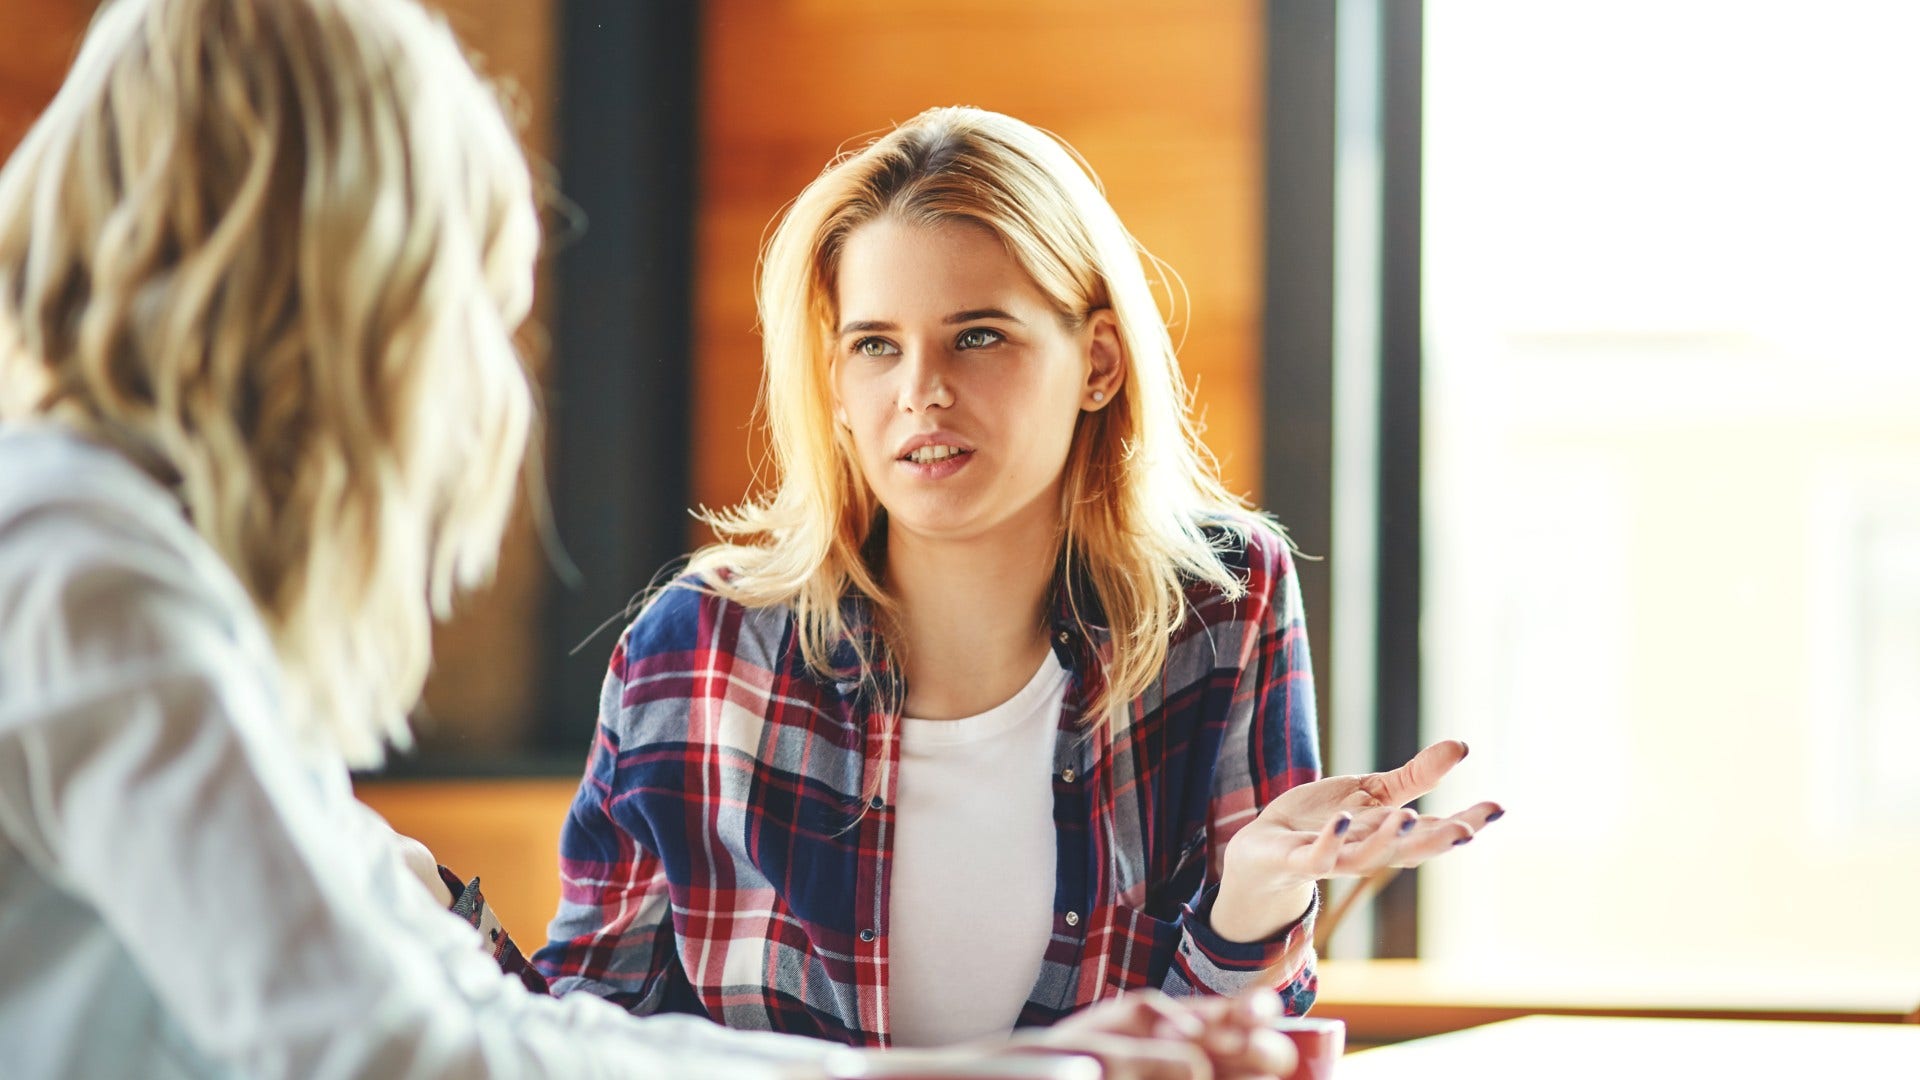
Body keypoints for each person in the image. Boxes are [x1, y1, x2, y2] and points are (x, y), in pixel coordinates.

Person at [0, 3, 1296, 1077]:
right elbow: (402, 1049)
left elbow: (488, 1031)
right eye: (451, 291)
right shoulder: (81, 573)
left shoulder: (120, 571)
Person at [532, 106, 1503, 1049]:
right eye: (876, 345)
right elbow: (582, 1031)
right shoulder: (695, 648)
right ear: (834, 387)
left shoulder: (1222, 599)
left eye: (979, 335)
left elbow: (1232, 1054)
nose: (921, 391)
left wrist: (1252, 901)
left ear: (1099, 363)